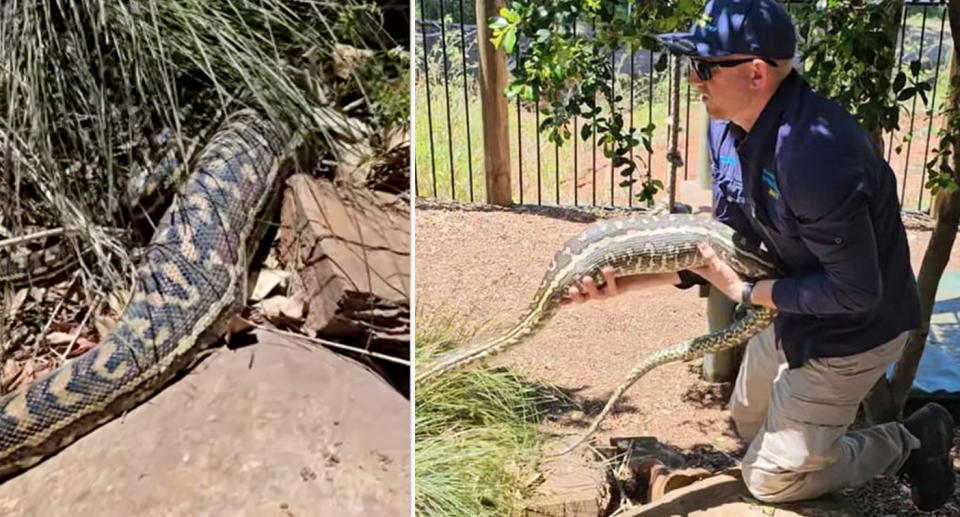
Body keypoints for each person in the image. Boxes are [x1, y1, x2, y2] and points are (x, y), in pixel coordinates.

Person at [566, 0, 955, 510]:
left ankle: (907, 442)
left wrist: (749, 292)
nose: (693, 80)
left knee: (772, 481)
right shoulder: (725, 126)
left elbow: (857, 291)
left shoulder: (816, 153)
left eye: (704, 67)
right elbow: (727, 245)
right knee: (749, 419)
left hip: (855, 328)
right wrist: (627, 280)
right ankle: (803, 449)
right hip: (789, 302)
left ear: (755, 72)